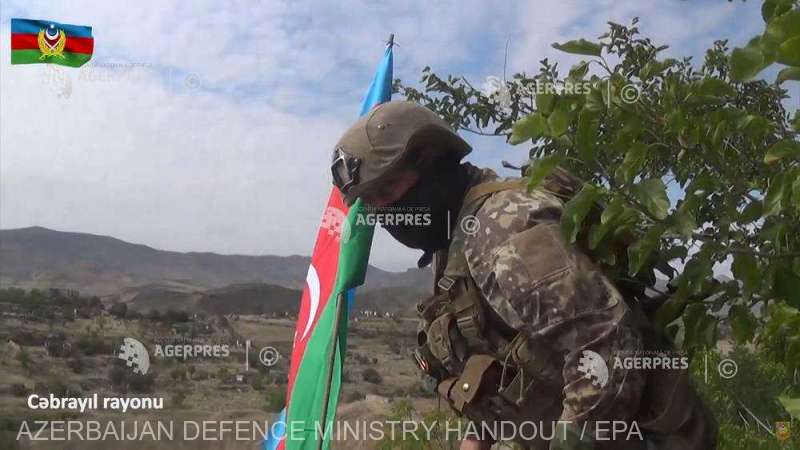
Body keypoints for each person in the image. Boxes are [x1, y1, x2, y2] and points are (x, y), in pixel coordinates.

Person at [330, 100, 717, 450]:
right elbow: (493, 360)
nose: (386, 213)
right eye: (372, 203)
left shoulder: (504, 229)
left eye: (388, 189)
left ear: (431, 159)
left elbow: (606, 347)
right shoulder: (456, 241)